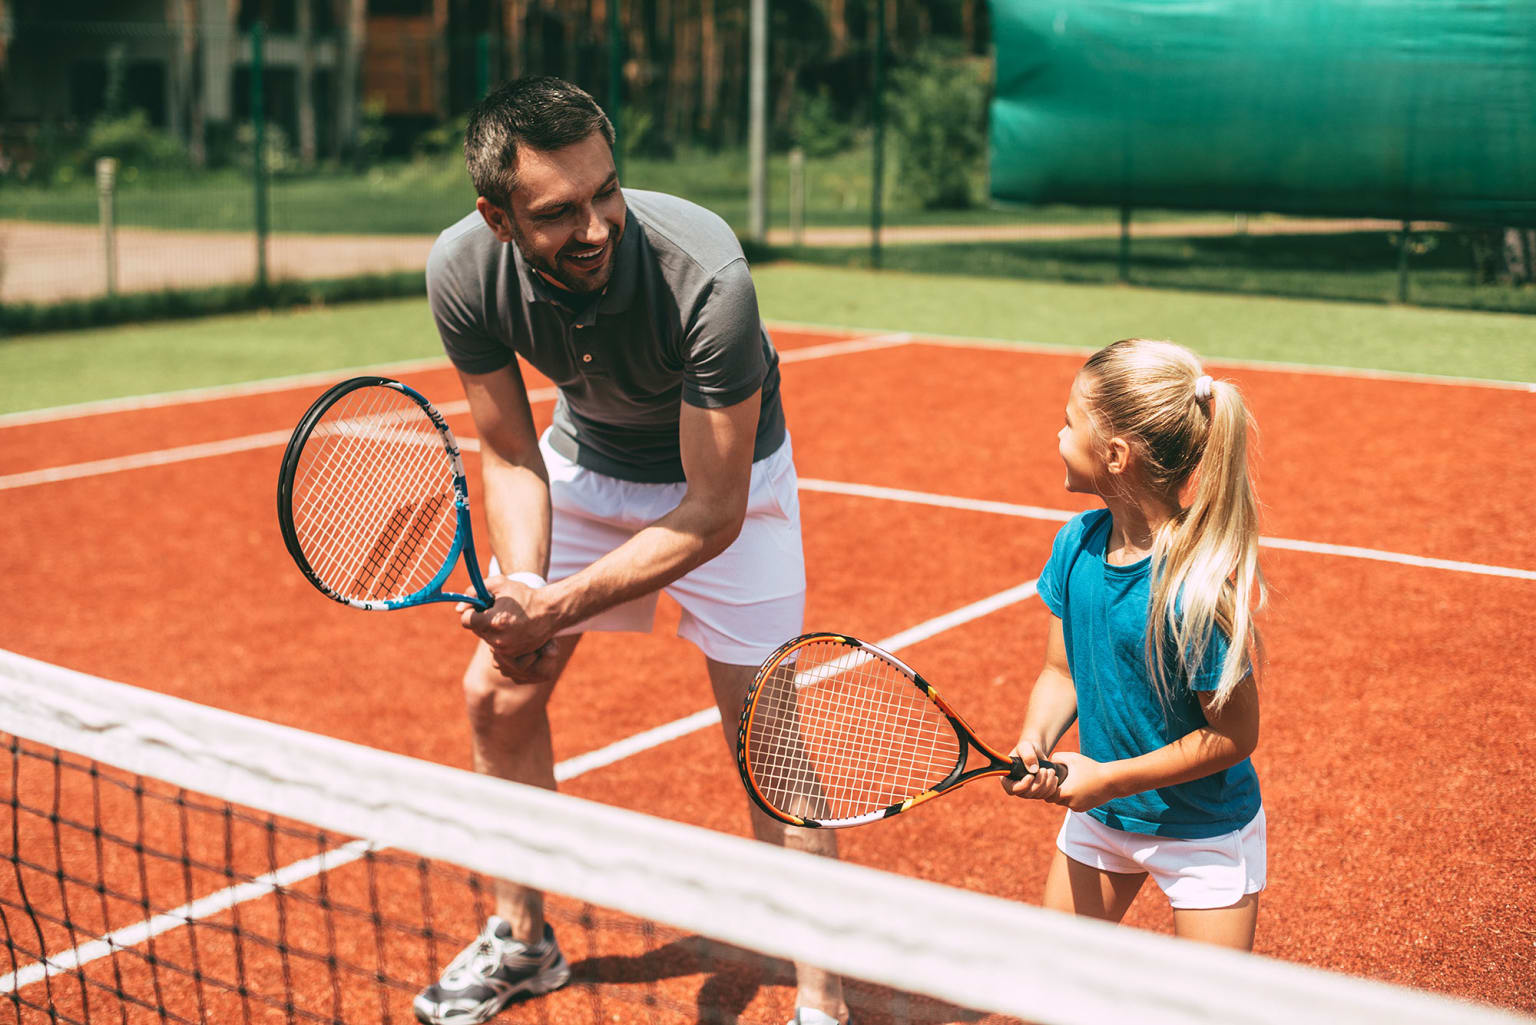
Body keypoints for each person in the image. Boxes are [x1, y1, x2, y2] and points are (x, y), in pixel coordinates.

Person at [411, 76, 848, 1025]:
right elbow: (509, 449)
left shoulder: (708, 274)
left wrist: (556, 607)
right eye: (560, 211)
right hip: (589, 463)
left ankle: (822, 1003)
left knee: (768, 745)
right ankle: (525, 942)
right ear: (498, 217)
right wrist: (526, 580)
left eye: (606, 191)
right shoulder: (459, 269)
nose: (598, 225)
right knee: (496, 692)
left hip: (732, 489)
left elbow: (711, 511)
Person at [1003, 338, 1267, 951]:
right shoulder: (1076, 544)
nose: (1057, 435)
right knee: (1053, 982)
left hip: (1205, 831)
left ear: (1115, 454)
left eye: (1069, 423)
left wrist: (1108, 779)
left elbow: (1234, 735)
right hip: (1104, 815)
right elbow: (1060, 674)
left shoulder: (1193, 593)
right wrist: (1035, 742)